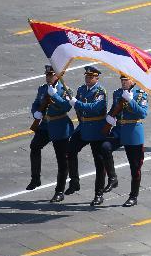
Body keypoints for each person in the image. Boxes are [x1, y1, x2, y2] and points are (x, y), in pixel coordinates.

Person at [27, 65, 74, 202]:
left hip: (59, 126)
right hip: (46, 126)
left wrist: (54, 95)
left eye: (51, 75)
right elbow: (36, 103)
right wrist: (36, 112)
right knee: (34, 146)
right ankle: (35, 179)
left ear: (57, 76)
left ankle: (59, 191)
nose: (48, 77)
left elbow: (66, 106)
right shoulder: (42, 88)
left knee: (62, 161)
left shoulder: (65, 89)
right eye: (47, 75)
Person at [101, 74, 149, 207]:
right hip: (119, 130)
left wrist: (131, 101)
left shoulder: (140, 94)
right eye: (122, 80)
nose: (123, 83)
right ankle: (112, 178)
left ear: (133, 81)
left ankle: (133, 196)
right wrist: (109, 118)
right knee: (105, 147)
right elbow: (113, 110)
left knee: (135, 167)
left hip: (133, 131)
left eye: (126, 80)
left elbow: (143, 113)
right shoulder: (117, 93)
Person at [64, 66, 108, 204]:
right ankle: (74, 181)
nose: (88, 79)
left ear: (97, 78)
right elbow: (77, 106)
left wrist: (77, 103)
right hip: (83, 127)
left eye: (91, 77)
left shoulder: (100, 91)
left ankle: (98, 194)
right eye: (86, 77)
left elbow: (94, 108)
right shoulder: (81, 89)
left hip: (96, 129)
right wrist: (69, 100)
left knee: (99, 163)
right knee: (70, 151)